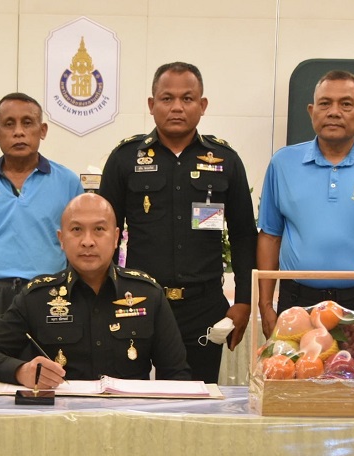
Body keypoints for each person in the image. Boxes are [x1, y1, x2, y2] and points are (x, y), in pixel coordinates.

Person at [99, 62, 257, 384]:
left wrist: (244, 300)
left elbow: (243, 235)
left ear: (202, 105)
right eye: (167, 98)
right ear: (151, 104)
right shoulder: (125, 158)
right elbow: (106, 234)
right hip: (136, 302)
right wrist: (102, 295)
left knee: (196, 399)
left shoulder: (225, 160)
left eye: (187, 98)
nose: (177, 107)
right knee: (127, 395)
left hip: (202, 306)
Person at [257, 70, 354, 339]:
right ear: (311, 111)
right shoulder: (282, 163)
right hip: (297, 303)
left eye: (346, 104)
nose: (334, 112)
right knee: (294, 368)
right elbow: (270, 237)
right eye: (325, 103)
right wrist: (265, 305)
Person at [0, 193, 190, 387]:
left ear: (116, 237)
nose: (87, 242)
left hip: (128, 414)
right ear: (61, 239)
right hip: (60, 414)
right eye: (76, 230)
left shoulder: (148, 295)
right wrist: (21, 371)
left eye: (99, 229)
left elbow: (177, 374)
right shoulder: (37, 298)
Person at [0, 92, 84, 360]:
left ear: (42, 130)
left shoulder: (68, 182)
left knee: (50, 371)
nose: (19, 132)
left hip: (49, 294)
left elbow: (78, 253)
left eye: (27, 123)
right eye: (9, 124)